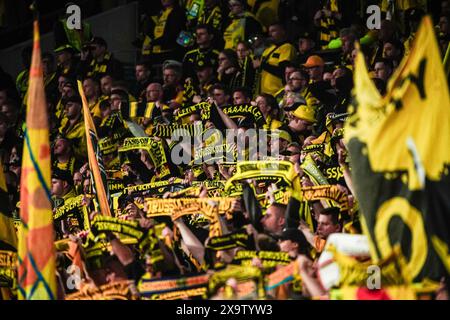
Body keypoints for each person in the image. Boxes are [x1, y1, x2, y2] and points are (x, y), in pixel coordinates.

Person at [254, 22, 296, 96]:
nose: (270, 34)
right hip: (264, 93)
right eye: (269, 31)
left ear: (283, 32)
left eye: (273, 31)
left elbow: (283, 71)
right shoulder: (268, 49)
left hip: (278, 92)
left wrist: (262, 65)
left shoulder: (287, 47)